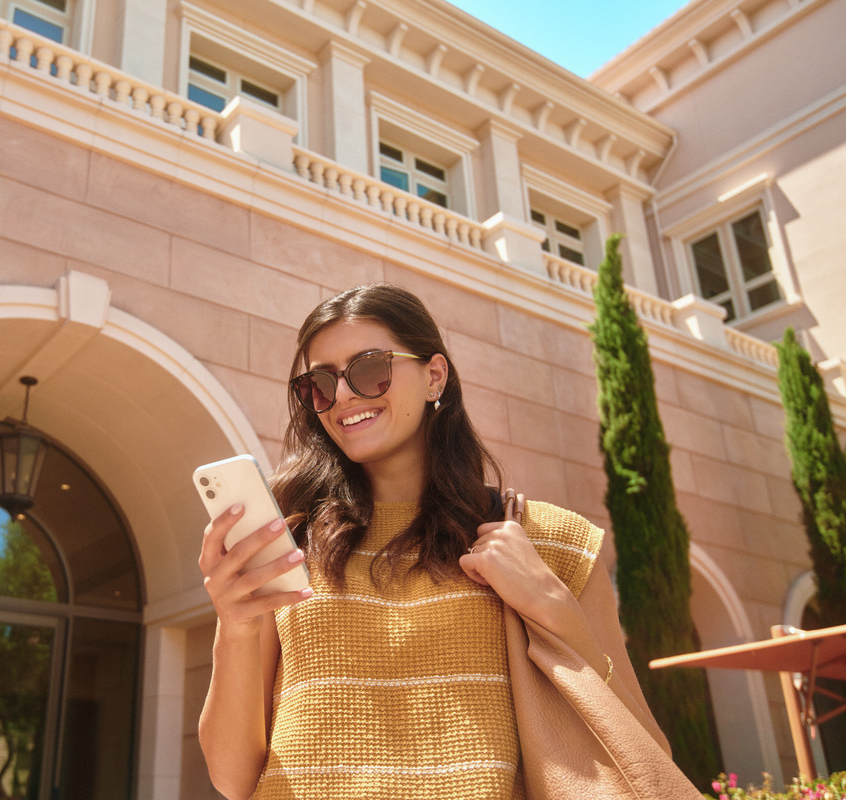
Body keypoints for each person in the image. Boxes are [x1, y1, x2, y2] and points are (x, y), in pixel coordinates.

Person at [197, 283, 672, 799]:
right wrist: (236, 627)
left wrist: (550, 603)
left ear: (434, 375)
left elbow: (645, 755)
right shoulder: (289, 545)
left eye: (370, 369)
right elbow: (235, 777)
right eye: (319, 383)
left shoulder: (550, 541)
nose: (344, 396)